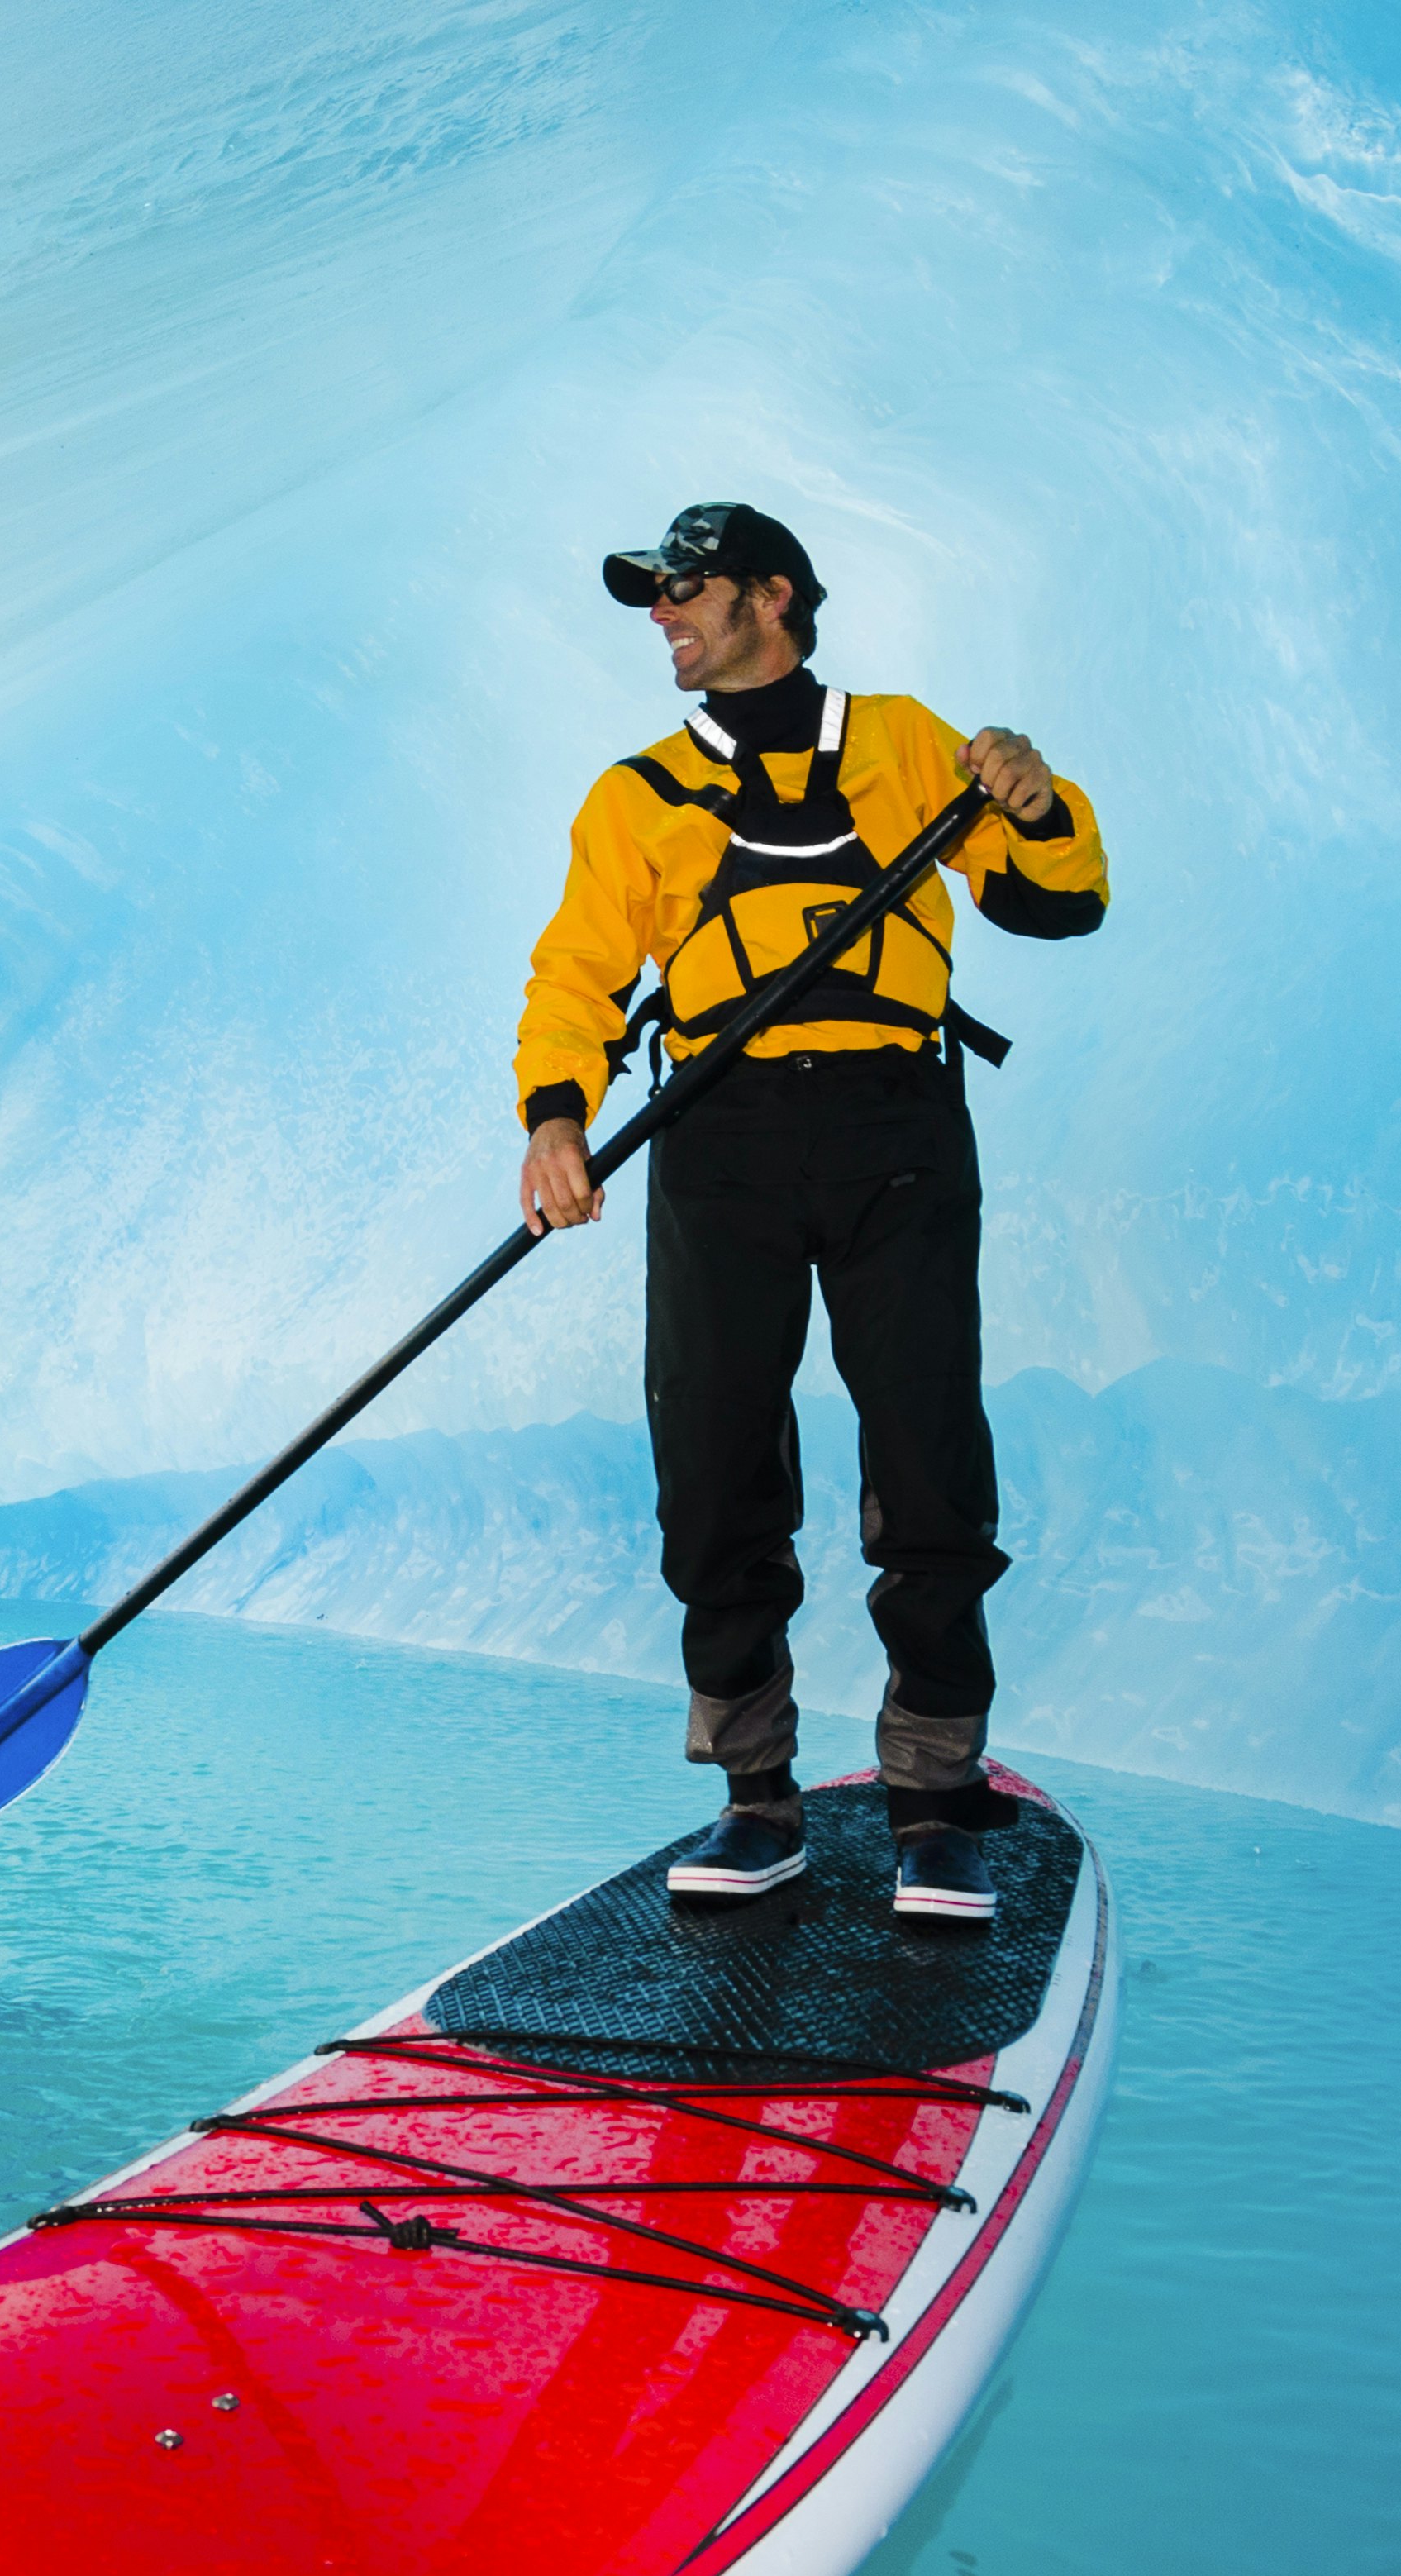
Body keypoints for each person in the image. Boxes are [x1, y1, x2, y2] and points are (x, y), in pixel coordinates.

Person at [510, 502, 1109, 1923]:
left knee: (926, 1447)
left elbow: (1060, 903)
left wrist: (1036, 798)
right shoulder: (634, 795)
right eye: (652, 595)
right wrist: (554, 1117)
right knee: (711, 1456)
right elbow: (578, 976)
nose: (661, 613)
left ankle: (936, 1796)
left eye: (684, 589)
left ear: (772, 596)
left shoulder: (906, 742)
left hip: (898, 1127)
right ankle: (757, 1797)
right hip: (720, 1139)